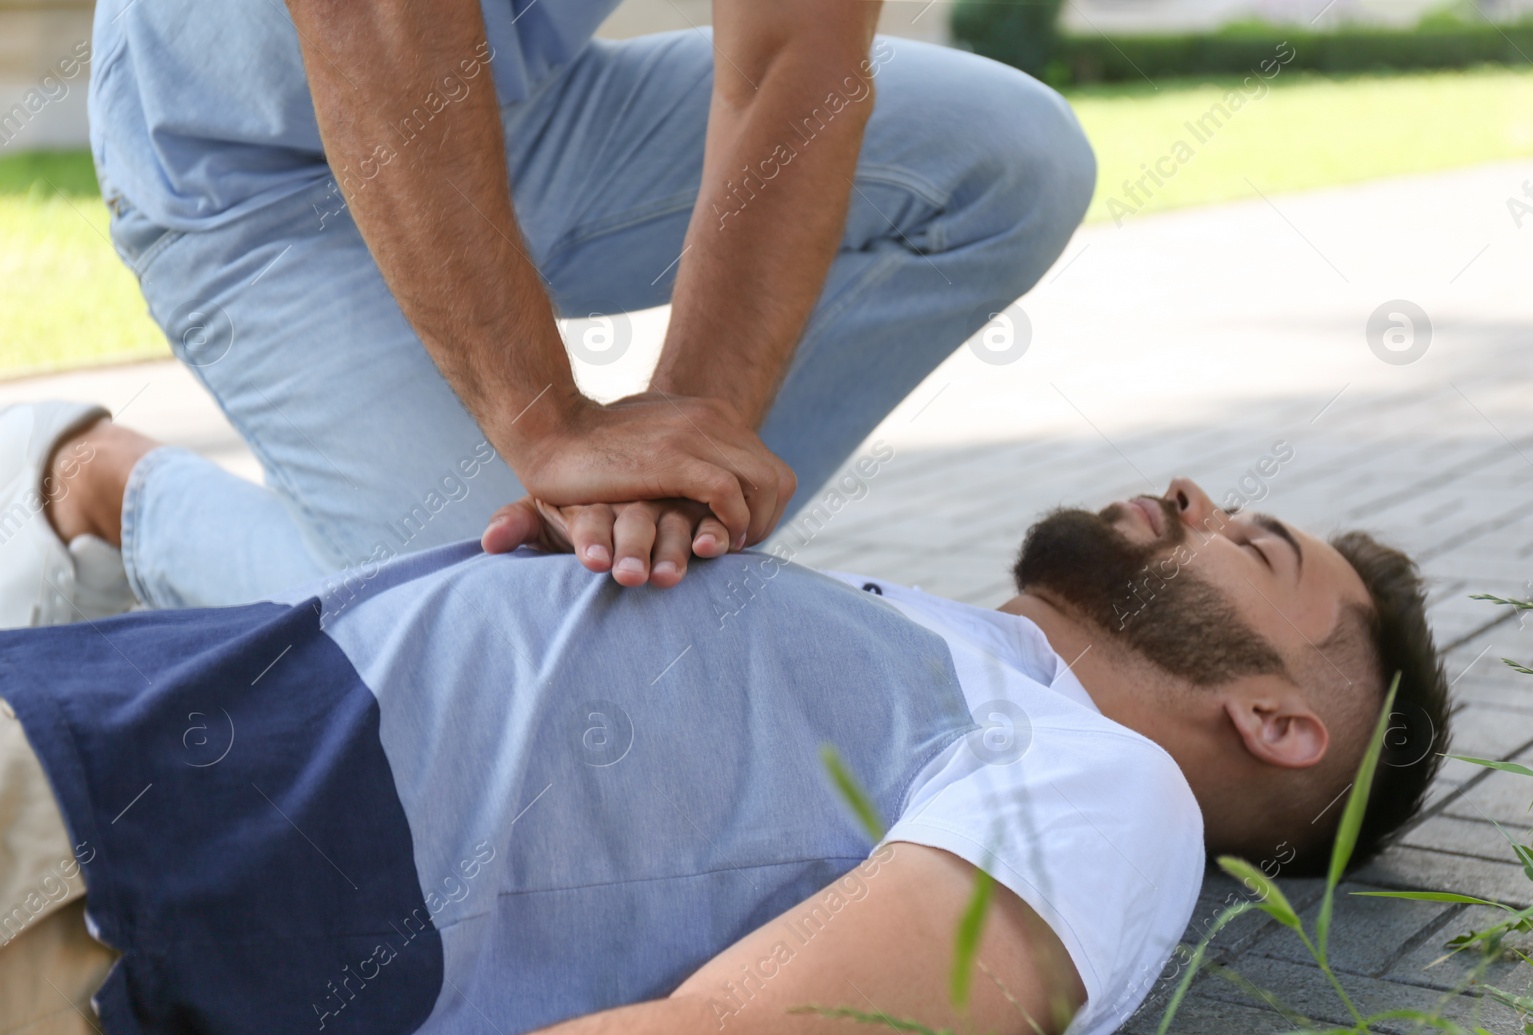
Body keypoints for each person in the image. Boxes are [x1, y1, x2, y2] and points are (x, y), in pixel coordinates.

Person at [0, 405, 1452, 1035]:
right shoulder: (952, 660)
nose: (1194, 490)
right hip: (116, 742)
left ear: (1275, 714)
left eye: (1247, 539)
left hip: (125, 870)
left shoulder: (1112, 791)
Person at [69, 0, 1095, 610]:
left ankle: (638, 565)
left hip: (534, 117)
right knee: (493, 613)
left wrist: (685, 453)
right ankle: (103, 488)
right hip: (251, 173)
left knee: (1009, 163)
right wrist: (544, 427)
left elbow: (797, 57)